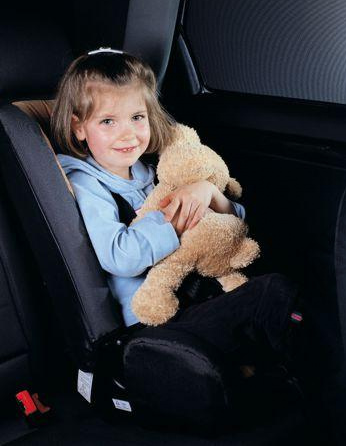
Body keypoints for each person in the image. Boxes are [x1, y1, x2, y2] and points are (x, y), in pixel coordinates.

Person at [51, 48, 302, 379]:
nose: (127, 133)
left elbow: (233, 228)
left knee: (287, 284)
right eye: (108, 121)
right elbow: (119, 257)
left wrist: (207, 192)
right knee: (272, 294)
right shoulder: (86, 184)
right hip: (155, 321)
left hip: (198, 291)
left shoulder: (156, 169)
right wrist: (175, 217)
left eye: (137, 117)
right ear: (79, 127)